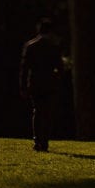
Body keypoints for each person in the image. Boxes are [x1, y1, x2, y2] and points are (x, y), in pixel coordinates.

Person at [20, 18, 64, 152]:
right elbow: (60, 67)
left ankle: (37, 140)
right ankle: (45, 141)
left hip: (35, 82)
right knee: (48, 113)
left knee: (37, 111)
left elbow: (24, 68)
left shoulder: (30, 46)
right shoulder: (54, 46)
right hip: (50, 82)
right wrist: (57, 79)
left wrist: (23, 85)